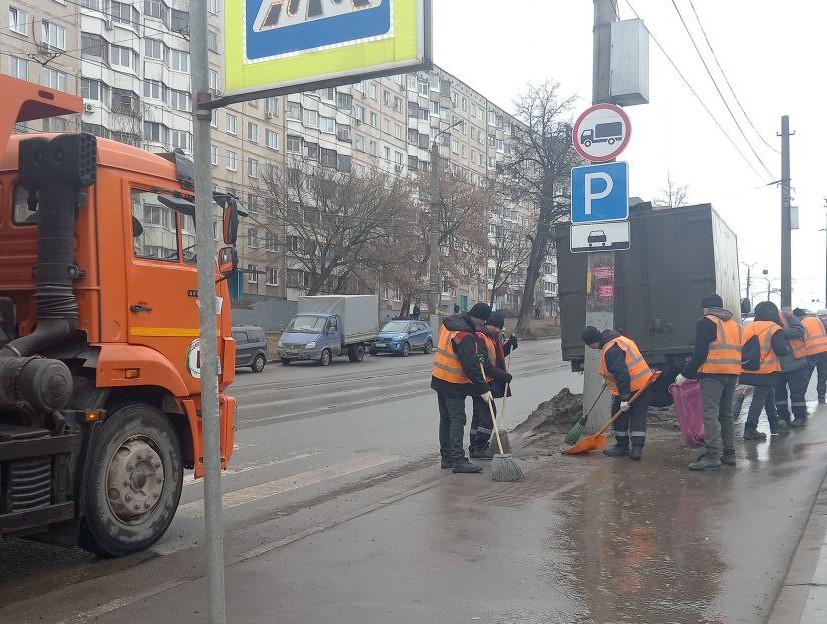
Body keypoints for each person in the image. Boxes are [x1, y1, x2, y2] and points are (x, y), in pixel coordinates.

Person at [674, 293, 742, 470]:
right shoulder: (735, 325)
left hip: (714, 373)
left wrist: (685, 374)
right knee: (726, 413)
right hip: (732, 372)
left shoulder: (706, 321)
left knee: (710, 413)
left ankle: (712, 455)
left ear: (707, 307)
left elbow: (700, 353)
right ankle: (729, 453)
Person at [430, 303, 493, 473]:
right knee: (457, 420)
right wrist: (484, 389)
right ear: (478, 318)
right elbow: (470, 366)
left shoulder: (448, 324)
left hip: (439, 378)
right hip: (453, 383)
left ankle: (447, 457)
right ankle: (458, 460)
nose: (482, 326)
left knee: (446, 419)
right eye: (482, 322)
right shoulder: (464, 334)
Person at [582, 326, 655, 461]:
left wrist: (624, 398)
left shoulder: (610, 350)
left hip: (632, 387)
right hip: (643, 383)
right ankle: (636, 449)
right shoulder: (618, 340)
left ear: (592, 342)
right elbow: (621, 369)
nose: (591, 348)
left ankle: (623, 447)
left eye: (589, 345)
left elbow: (622, 375)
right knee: (638, 416)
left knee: (619, 416)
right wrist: (609, 380)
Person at [739, 301, 792, 440]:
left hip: (747, 367)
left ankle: (774, 425)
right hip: (766, 370)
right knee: (759, 398)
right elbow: (781, 350)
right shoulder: (774, 328)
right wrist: (787, 349)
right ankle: (750, 428)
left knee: (768, 394)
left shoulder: (748, 327)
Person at [469, 311, 517, 458]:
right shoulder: (480, 337)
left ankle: (475, 446)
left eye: (500, 327)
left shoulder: (492, 337)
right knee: (488, 415)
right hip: (480, 382)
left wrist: (509, 346)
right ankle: (480, 447)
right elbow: (484, 363)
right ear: (487, 324)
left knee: (479, 415)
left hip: (486, 381)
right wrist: (502, 375)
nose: (498, 330)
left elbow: (496, 356)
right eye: (496, 327)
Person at [773, 310, 808, 428]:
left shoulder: (785, 315)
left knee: (796, 391)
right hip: (777, 364)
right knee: (779, 393)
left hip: (794, 362)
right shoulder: (763, 321)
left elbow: (799, 330)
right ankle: (783, 416)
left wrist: (780, 332)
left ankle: (799, 416)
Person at [795, 308, 827, 405]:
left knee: (805, 377)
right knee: (823, 375)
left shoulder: (802, 323)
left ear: (797, 317)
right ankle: (821, 398)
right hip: (825, 349)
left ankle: (800, 400)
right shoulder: (816, 319)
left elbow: (802, 339)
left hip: (811, 352)